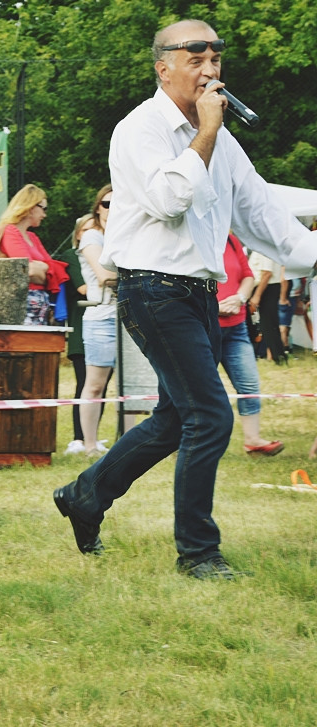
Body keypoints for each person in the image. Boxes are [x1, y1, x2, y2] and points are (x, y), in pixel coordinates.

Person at [53, 19, 317, 580]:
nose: (209, 69)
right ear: (162, 66)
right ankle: (198, 553)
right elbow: (169, 199)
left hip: (200, 292)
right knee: (210, 415)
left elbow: (264, 218)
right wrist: (205, 133)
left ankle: (84, 494)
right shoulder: (139, 129)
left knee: (177, 419)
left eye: (215, 58)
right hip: (152, 287)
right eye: (194, 57)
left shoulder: (223, 142)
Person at [218, 234, 283, 456]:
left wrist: (239, 298)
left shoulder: (231, 240)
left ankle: (253, 441)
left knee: (249, 385)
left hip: (236, 326)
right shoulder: (193, 239)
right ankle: (182, 441)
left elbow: (247, 275)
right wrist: (210, 307)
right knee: (200, 390)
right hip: (203, 327)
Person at [0, 184, 69, 326]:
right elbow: (28, 270)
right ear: (30, 208)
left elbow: (52, 270)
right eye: (44, 209)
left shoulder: (32, 237)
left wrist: (41, 269)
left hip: (39, 305)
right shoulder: (10, 232)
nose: (44, 215)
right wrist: (45, 270)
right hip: (20, 305)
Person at [77, 185, 117, 456]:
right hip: (102, 317)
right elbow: (104, 276)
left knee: (131, 386)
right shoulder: (92, 236)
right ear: (98, 207)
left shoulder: (128, 236)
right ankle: (89, 445)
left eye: (117, 204)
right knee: (94, 384)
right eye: (106, 204)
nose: (111, 210)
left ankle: (128, 443)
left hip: (130, 317)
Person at [57, 214, 92, 455]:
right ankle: (78, 439)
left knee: (100, 387)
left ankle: (92, 438)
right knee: (84, 384)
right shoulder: (71, 256)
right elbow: (84, 289)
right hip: (81, 330)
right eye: (87, 230)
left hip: (103, 328)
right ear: (78, 234)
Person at [247, 251, 286, 363]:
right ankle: (278, 356)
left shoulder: (264, 249)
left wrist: (257, 295)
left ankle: (278, 357)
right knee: (269, 324)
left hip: (267, 288)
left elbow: (267, 273)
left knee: (268, 324)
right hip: (266, 287)